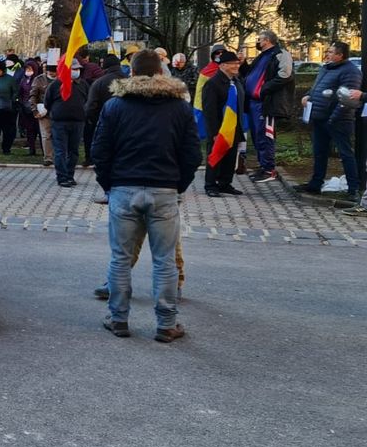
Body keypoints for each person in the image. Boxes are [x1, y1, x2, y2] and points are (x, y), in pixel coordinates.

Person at [92, 50, 200, 343]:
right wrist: (179, 185)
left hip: (124, 189)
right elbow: (192, 154)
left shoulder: (115, 106)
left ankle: (118, 318)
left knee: (120, 258)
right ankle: (166, 323)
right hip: (164, 189)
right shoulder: (179, 108)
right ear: (162, 72)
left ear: (132, 72)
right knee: (164, 260)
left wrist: (109, 185)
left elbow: (99, 151)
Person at [297, 41, 363, 201]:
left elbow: (347, 98)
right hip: (320, 117)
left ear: (340, 55)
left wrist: (333, 118)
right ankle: (315, 183)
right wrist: (307, 95)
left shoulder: (350, 72)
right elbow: (317, 87)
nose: (327, 54)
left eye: (331, 52)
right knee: (320, 152)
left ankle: (353, 189)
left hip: (338, 120)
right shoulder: (326, 68)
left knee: (345, 153)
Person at [244, 31, 293, 184]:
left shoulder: (280, 54)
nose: (257, 41)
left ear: (266, 40)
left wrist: (264, 88)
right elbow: (251, 74)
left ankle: (269, 169)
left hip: (266, 103)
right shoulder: (261, 56)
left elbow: (285, 75)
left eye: (259, 39)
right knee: (257, 135)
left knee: (266, 135)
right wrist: (243, 64)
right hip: (253, 102)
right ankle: (262, 166)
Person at [201, 50, 246, 198]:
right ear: (223, 65)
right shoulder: (213, 84)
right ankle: (211, 185)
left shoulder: (236, 81)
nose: (236, 66)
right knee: (216, 155)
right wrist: (214, 132)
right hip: (219, 128)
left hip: (233, 126)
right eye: (233, 64)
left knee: (231, 155)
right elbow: (209, 111)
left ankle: (225, 183)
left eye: (237, 64)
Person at [44, 59, 88, 187]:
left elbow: (88, 100)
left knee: (73, 151)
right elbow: (47, 102)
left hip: (78, 122)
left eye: (78, 69)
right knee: (60, 151)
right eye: (73, 69)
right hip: (59, 122)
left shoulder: (83, 85)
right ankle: (62, 176)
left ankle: (70, 175)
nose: (76, 71)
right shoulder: (56, 85)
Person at [29, 63, 56, 166]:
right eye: (51, 71)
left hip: (58, 111)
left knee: (58, 135)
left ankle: (59, 155)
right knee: (46, 135)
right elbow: (33, 95)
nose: (53, 74)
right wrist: (35, 109)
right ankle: (48, 157)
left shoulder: (62, 77)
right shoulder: (39, 80)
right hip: (44, 111)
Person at [16, 60, 40, 156]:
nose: (28, 71)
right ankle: (31, 148)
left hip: (36, 108)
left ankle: (44, 150)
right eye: (26, 69)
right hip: (26, 108)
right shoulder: (23, 80)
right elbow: (20, 92)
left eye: (30, 69)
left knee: (39, 129)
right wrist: (21, 103)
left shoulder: (38, 79)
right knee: (29, 130)